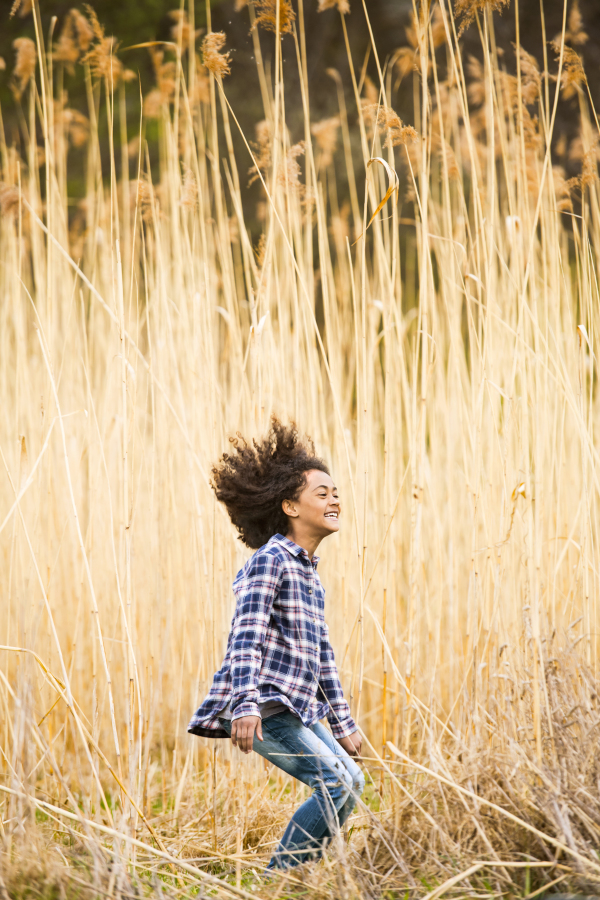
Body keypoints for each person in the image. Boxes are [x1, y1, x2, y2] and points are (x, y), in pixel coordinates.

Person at [188, 419, 364, 870]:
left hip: (293, 705)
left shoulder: (307, 570)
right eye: (321, 493)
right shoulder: (269, 561)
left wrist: (343, 724)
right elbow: (243, 641)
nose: (335, 499)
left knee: (353, 781)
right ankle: (279, 882)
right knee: (335, 784)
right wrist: (244, 705)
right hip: (264, 706)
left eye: (336, 492)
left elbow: (322, 659)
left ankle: (300, 874)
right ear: (289, 505)